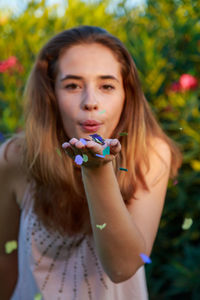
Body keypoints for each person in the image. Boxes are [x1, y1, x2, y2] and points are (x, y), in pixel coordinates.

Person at [0, 25, 182, 300]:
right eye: (72, 85)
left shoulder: (150, 155)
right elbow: (6, 253)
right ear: (51, 96)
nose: (90, 102)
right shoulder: (15, 158)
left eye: (106, 86)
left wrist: (97, 171)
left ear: (126, 95)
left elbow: (123, 267)